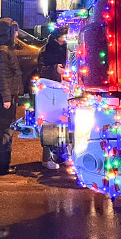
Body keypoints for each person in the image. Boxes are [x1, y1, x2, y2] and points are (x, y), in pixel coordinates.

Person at [0, 18, 22, 175]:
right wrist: (7, 98)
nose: (17, 34)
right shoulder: (3, 51)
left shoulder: (5, 49)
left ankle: (1, 165)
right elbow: (1, 77)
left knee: (6, 130)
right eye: (15, 31)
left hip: (7, 95)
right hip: (5, 98)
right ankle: (1, 167)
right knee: (5, 131)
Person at [36, 26, 68, 170]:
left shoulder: (69, 49)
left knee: (65, 123)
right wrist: (55, 69)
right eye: (63, 37)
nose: (65, 39)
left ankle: (63, 156)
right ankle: (48, 158)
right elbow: (40, 70)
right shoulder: (46, 50)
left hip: (66, 90)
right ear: (56, 38)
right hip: (50, 93)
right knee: (50, 123)